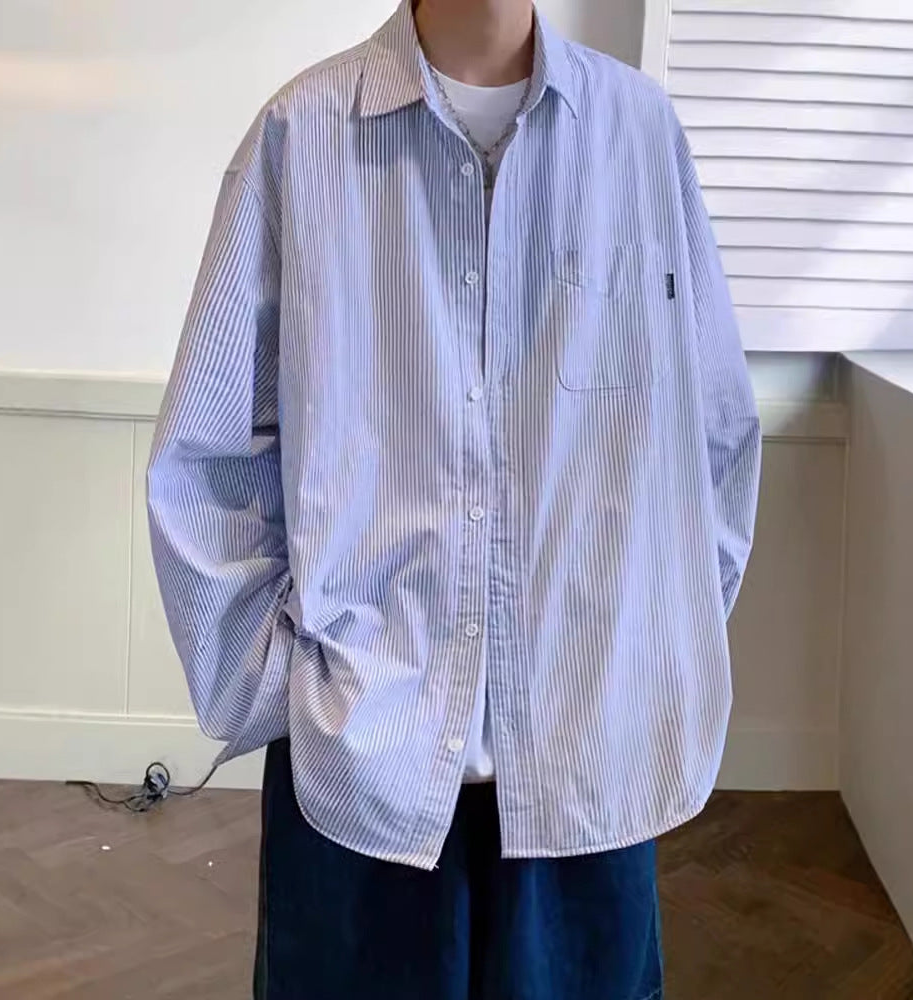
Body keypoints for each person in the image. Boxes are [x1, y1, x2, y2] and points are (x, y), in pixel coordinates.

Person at [147, 0, 761, 996]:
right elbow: (208, 455)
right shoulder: (301, 135)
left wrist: (648, 645)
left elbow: (713, 436)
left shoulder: (639, 136)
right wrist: (288, 689)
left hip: (586, 756)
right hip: (361, 762)